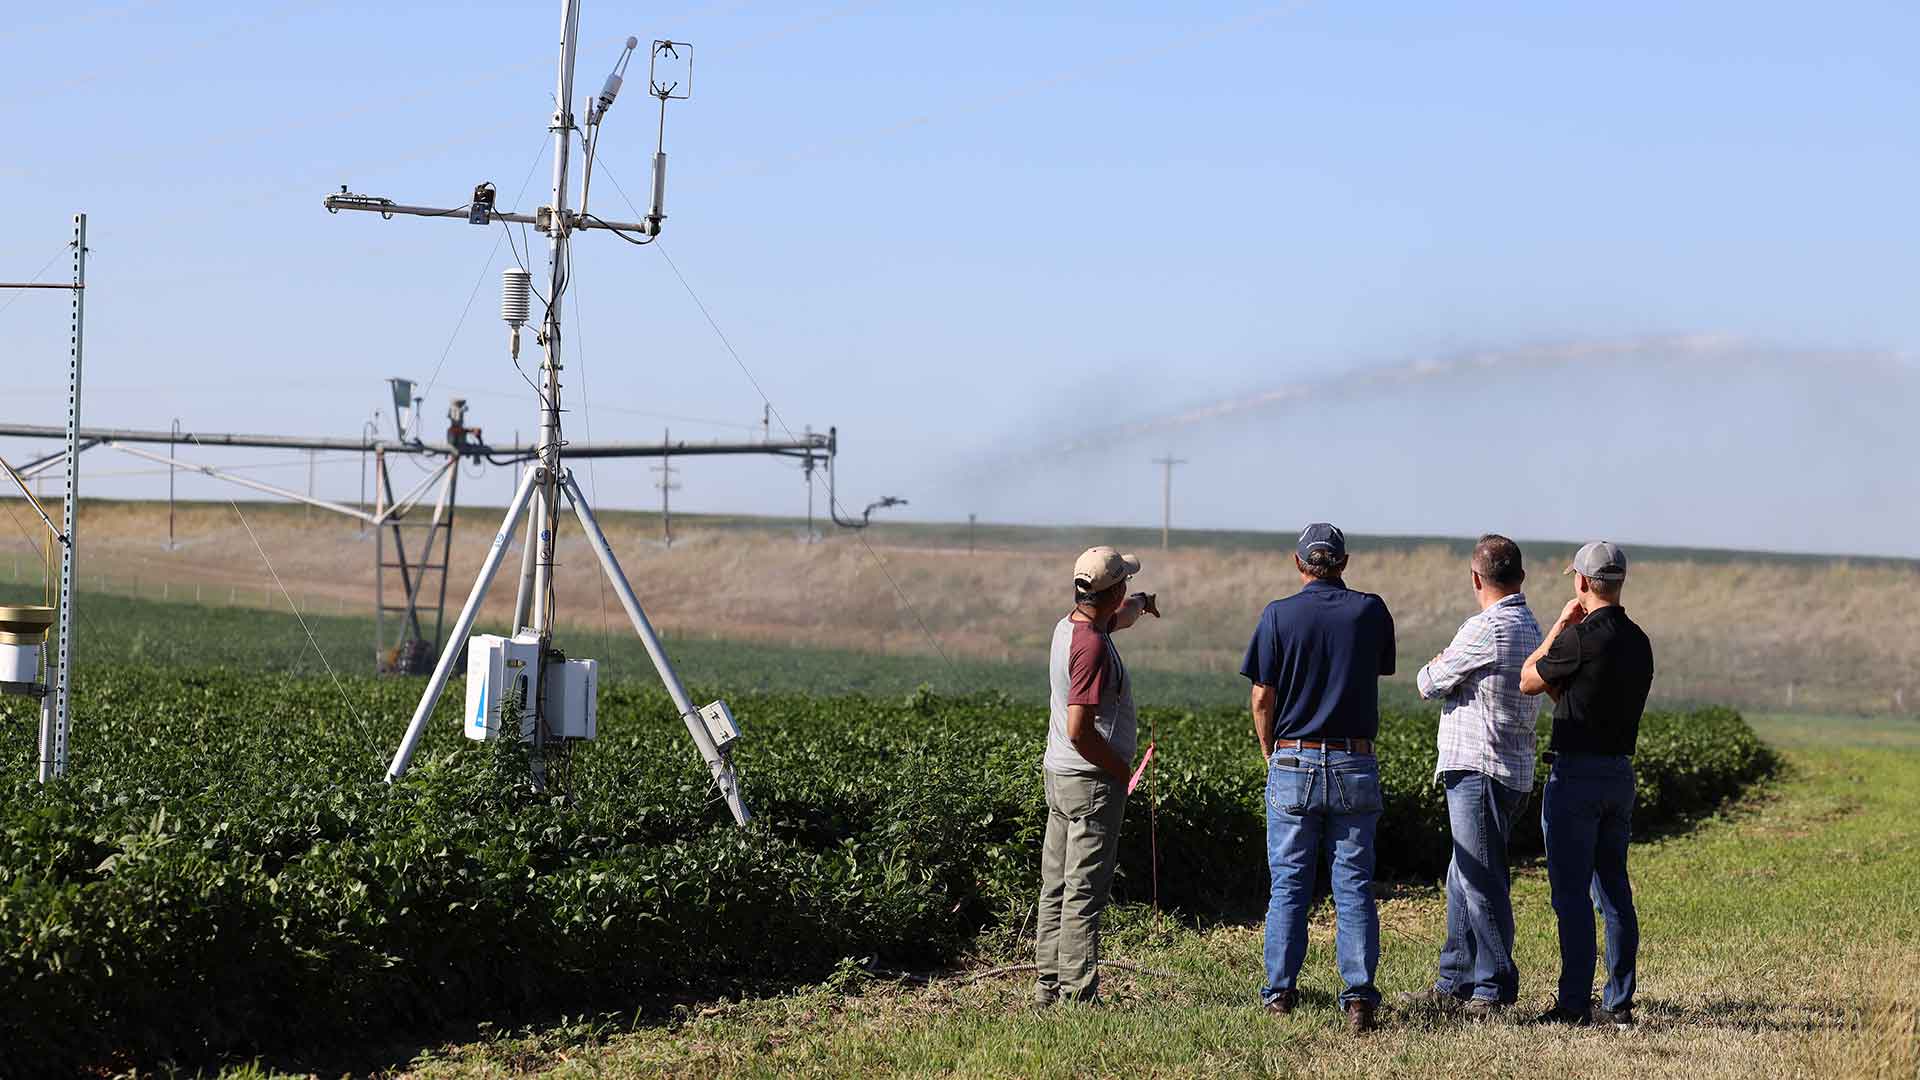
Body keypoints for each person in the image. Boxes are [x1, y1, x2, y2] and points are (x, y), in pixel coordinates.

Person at [1242, 523, 1396, 1033]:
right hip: (1354, 761)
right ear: (1345, 564)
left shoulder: (1278, 615)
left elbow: (1263, 696)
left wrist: (1271, 750)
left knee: (1288, 884)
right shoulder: (1371, 610)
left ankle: (1280, 993)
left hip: (1293, 759)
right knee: (1352, 885)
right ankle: (1357, 999)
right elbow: (1374, 671)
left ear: (1298, 562)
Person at [1401, 534, 1543, 1021]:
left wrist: (1441, 660)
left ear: (1475, 578)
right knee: (1462, 876)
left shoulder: (1485, 628)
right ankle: (1454, 979)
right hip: (1513, 769)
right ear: (1520, 577)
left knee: (1480, 880)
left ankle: (1494, 985)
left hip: (1477, 767)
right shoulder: (1530, 625)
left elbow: (1427, 681)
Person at [1520, 540, 1655, 1029]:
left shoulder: (1580, 638)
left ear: (1581, 583)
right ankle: (1619, 1003)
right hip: (1619, 773)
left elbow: (1529, 679)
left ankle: (1573, 1003)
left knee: (1571, 895)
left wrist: (1560, 624)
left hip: (1575, 775)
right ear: (1619, 583)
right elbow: (1582, 696)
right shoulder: (1639, 641)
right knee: (1614, 890)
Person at [1034, 545, 1160, 1005]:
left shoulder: (1071, 627)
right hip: (1090, 782)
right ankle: (1079, 995)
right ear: (1114, 588)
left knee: (1057, 886)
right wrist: (1120, 769)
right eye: (1125, 581)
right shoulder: (1091, 648)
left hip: (1061, 777)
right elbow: (1080, 730)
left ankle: (1048, 986)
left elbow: (1115, 618)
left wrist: (1142, 604)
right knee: (1083, 892)